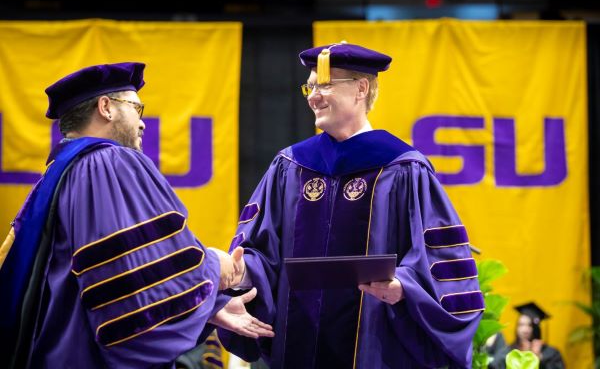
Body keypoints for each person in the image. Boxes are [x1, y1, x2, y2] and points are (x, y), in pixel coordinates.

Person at [218, 42, 484, 368]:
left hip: (378, 347)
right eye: (310, 86)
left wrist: (405, 288)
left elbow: (440, 258)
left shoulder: (403, 168)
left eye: (325, 85)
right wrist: (243, 272)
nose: (312, 96)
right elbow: (262, 252)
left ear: (361, 89)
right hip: (297, 352)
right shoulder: (291, 166)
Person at [0, 62, 273, 369]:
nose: (142, 123)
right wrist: (214, 266)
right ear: (106, 107)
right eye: (136, 108)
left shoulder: (57, 176)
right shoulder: (107, 161)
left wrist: (212, 305)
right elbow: (136, 270)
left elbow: (117, 277)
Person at [493, 302, 565, 369]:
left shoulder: (551, 353)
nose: (524, 330)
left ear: (537, 328)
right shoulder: (508, 352)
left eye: (530, 325)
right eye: (521, 325)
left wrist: (538, 357)